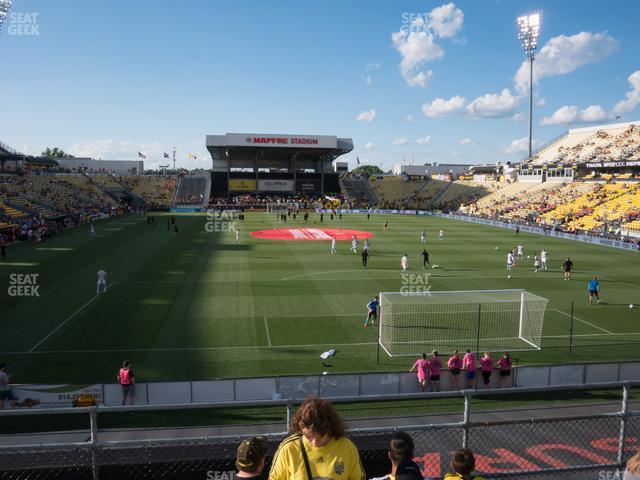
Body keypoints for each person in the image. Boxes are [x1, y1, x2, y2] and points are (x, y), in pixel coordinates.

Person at [269, 396, 365, 480]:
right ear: (301, 429)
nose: (314, 442)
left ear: (330, 429)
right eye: (309, 437)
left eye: (321, 437)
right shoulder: (288, 448)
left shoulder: (346, 447)